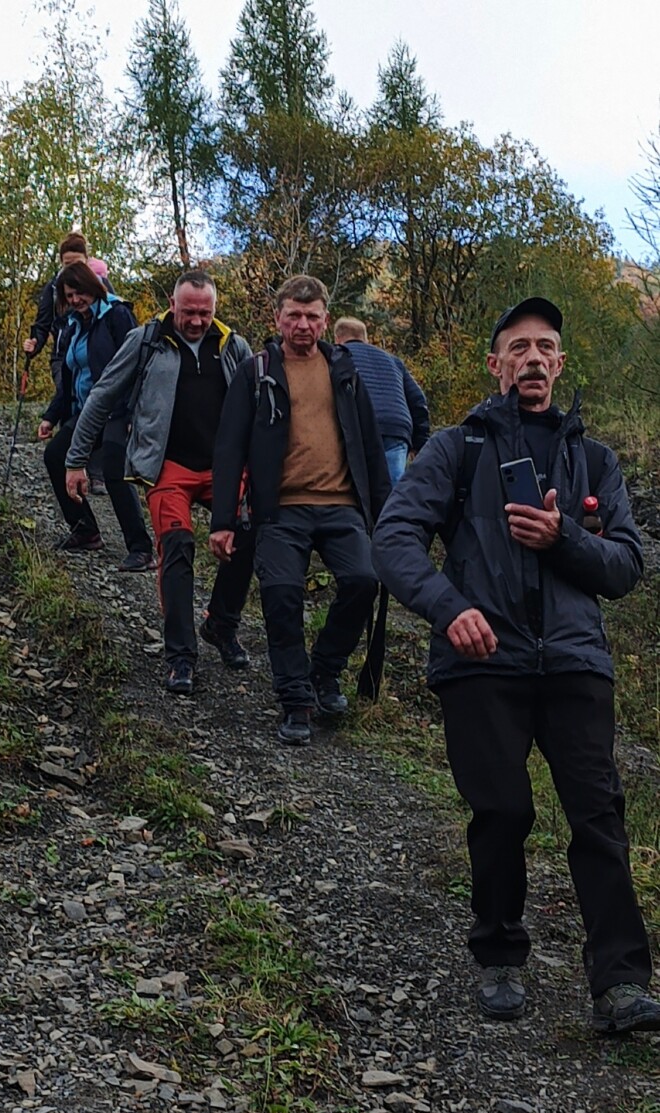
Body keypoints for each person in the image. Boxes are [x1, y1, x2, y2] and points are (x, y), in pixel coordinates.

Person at [372, 296, 660, 1033]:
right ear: (495, 363)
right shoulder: (456, 449)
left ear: (560, 364)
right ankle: (499, 956)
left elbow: (628, 566)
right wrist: (449, 608)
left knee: (599, 818)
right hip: (481, 660)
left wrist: (565, 538)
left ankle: (622, 986)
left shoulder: (595, 460)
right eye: (519, 346)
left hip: (575, 662)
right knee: (502, 812)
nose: (533, 357)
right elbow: (394, 537)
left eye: (545, 347)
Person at [211, 276, 391, 743]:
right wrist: (223, 521)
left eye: (312, 317)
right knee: (282, 595)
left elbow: (371, 446)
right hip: (280, 509)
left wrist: (389, 519)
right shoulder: (256, 372)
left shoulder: (345, 371)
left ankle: (324, 672)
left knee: (363, 581)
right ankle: (295, 701)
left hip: (342, 506)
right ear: (278, 318)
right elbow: (229, 449)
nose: (303, 325)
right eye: (294, 315)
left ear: (325, 321)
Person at [65, 269, 254, 696]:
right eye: (189, 312)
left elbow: (259, 407)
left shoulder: (234, 346)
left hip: (222, 469)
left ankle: (221, 624)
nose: (197, 321)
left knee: (251, 531)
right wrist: (76, 460)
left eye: (205, 312)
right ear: (172, 305)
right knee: (177, 545)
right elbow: (102, 395)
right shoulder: (146, 341)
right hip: (168, 467)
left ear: (215, 309)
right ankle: (180, 657)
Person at [39, 261, 154, 569]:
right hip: (86, 412)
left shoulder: (117, 315)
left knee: (115, 468)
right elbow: (68, 376)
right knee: (56, 456)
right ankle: (85, 530)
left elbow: (137, 364)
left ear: (93, 287)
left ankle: (141, 548)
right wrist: (51, 416)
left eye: (80, 292)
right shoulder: (72, 325)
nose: (76, 300)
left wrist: (131, 412)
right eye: (69, 295)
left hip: (117, 409)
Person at [24, 233, 108, 494]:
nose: (71, 268)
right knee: (68, 398)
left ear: (86, 260)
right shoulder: (53, 288)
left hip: (94, 354)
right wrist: (35, 344)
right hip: (63, 354)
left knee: (95, 404)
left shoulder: (100, 284)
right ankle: (70, 465)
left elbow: (112, 314)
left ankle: (96, 470)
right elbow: (43, 322)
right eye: (66, 263)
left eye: (77, 262)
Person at [333, 317, 429, 484]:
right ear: (365, 338)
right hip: (396, 427)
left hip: (359, 426)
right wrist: (419, 443)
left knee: (359, 486)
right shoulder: (393, 361)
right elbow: (418, 401)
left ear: (337, 338)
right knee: (393, 490)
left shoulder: (337, 355)